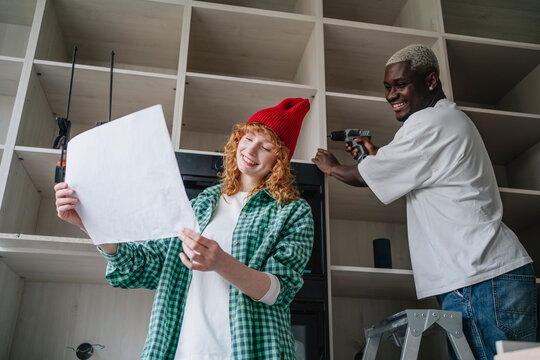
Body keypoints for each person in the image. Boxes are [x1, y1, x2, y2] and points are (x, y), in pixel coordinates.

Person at [312, 44, 536, 360]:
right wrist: (378, 158)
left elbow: (363, 176)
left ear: (430, 81)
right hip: (490, 277)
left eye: (400, 84)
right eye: (387, 88)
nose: (391, 95)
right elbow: (409, 171)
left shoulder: (429, 122)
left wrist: (331, 167)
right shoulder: (449, 120)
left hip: (480, 280)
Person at [55, 98, 314, 359]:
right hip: (182, 350)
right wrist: (91, 224)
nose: (251, 150)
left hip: (250, 351)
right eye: (248, 138)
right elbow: (147, 266)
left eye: (266, 146)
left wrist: (221, 262)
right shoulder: (201, 204)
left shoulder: (292, 211)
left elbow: (279, 291)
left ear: (279, 159)